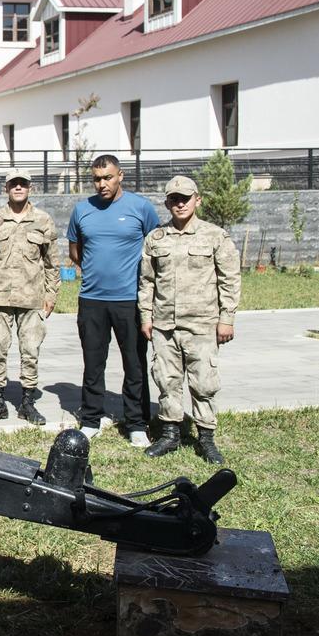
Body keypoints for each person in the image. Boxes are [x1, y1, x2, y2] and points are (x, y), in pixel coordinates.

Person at [139, 176, 241, 464]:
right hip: (164, 325)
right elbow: (147, 281)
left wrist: (227, 318)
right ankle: (170, 434)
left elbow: (230, 279)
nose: (180, 204)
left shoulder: (215, 236)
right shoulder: (156, 238)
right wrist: (146, 316)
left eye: (185, 198)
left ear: (198, 200)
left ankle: (206, 437)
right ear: (167, 203)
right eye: (174, 199)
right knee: (166, 380)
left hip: (202, 324)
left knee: (204, 383)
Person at [67, 154, 160, 446]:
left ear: (120, 176)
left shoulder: (141, 208)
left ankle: (136, 424)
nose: (102, 184)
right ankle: (91, 419)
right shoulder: (82, 210)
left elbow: (156, 248)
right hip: (92, 299)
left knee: (134, 364)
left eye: (108, 177)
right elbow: (75, 251)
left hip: (130, 300)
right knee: (93, 363)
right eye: (97, 179)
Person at [0, 168, 58, 427]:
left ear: (30, 188)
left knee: (30, 350)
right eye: (13, 184)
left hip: (32, 297)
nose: (18, 187)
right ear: (6, 188)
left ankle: (27, 402)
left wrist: (51, 294)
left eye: (23, 184)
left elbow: (52, 262)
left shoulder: (43, 220)